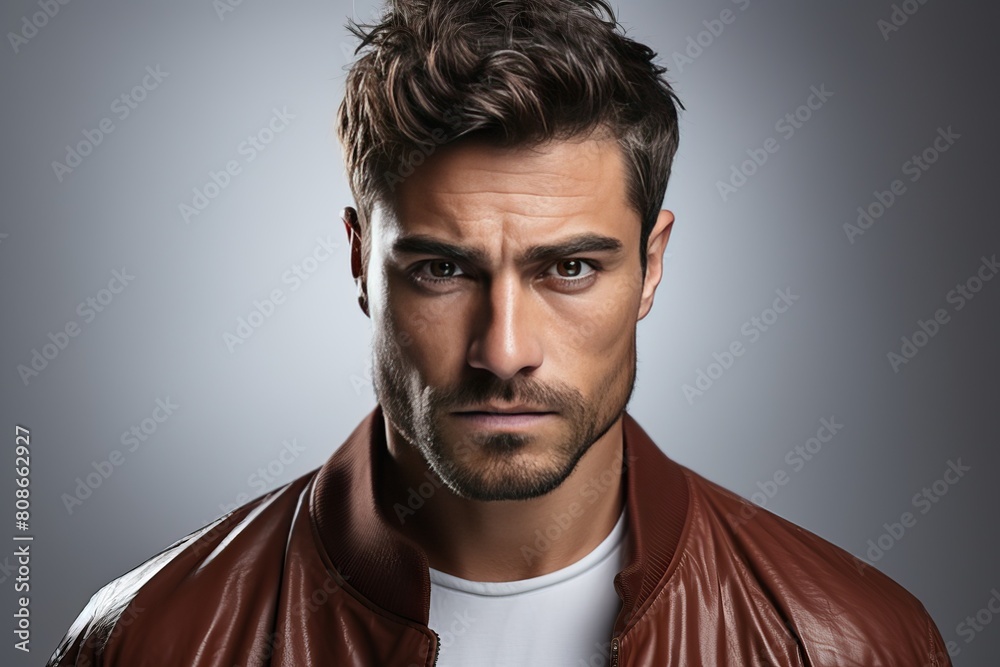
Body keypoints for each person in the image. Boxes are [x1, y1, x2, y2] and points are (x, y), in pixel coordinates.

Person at [49, 1, 951, 665]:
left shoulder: (851, 642)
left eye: (569, 269)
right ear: (362, 261)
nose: (504, 349)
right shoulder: (155, 639)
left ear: (653, 264)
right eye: (443, 269)